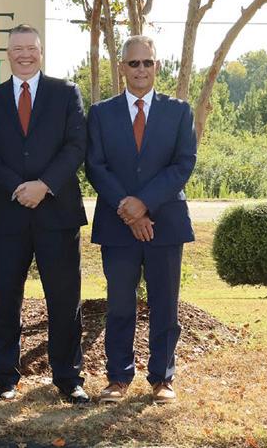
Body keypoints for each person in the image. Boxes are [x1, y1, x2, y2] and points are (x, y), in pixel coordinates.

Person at [0, 24, 89, 403]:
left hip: (58, 213)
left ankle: (68, 378)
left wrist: (44, 184)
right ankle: (5, 377)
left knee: (64, 299)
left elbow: (76, 145)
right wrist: (18, 187)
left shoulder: (66, 93)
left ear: (41, 52)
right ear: (8, 54)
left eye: (31, 48)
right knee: (5, 298)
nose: (24, 55)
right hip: (9, 214)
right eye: (17, 49)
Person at [85, 35, 197, 404]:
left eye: (147, 62)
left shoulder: (179, 112)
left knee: (165, 304)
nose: (141, 69)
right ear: (122, 68)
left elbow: (183, 164)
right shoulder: (101, 113)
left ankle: (162, 378)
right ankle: (118, 378)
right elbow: (95, 166)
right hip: (117, 225)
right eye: (134, 63)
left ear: (157, 66)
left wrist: (144, 204)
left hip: (165, 222)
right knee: (120, 305)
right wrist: (128, 209)